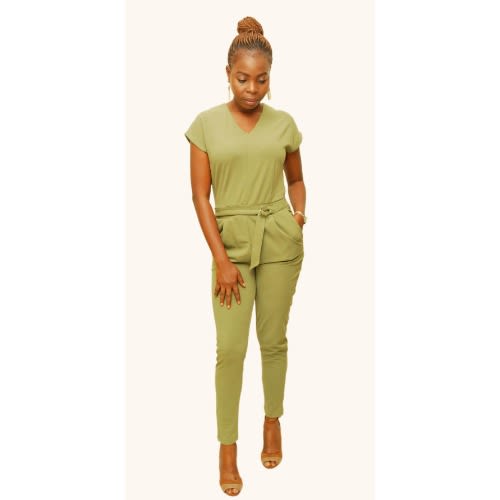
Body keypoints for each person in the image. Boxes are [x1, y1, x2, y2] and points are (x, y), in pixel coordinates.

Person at [184, 16, 307, 496]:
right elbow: (200, 197)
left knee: (273, 340)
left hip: (278, 241)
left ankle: (273, 420)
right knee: (231, 350)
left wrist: (298, 215)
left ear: (270, 77)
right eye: (242, 78)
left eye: (261, 79)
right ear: (227, 74)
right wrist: (221, 260)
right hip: (230, 246)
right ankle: (227, 448)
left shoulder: (284, 124)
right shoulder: (205, 125)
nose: (252, 89)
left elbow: (296, 178)